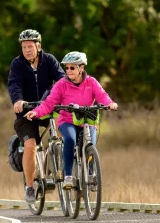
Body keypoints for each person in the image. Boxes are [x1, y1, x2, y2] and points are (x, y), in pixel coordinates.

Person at [25, 52, 118, 190]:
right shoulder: (61, 84)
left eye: (72, 68)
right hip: (67, 121)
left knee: (91, 145)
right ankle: (68, 176)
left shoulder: (91, 82)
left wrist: (110, 104)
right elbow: (49, 103)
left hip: (87, 121)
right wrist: (36, 112)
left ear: (81, 68)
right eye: (66, 68)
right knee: (70, 140)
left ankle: (91, 174)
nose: (68, 71)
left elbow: (102, 95)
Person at [8, 29, 65, 203]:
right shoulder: (17, 64)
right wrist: (18, 100)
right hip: (26, 112)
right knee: (30, 145)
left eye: (30, 46)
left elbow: (62, 79)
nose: (27, 50)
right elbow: (14, 84)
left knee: (62, 131)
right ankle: (30, 186)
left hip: (47, 107)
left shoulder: (49, 60)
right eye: (24, 47)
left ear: (38, 46)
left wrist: (60, 97)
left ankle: (59, 165)